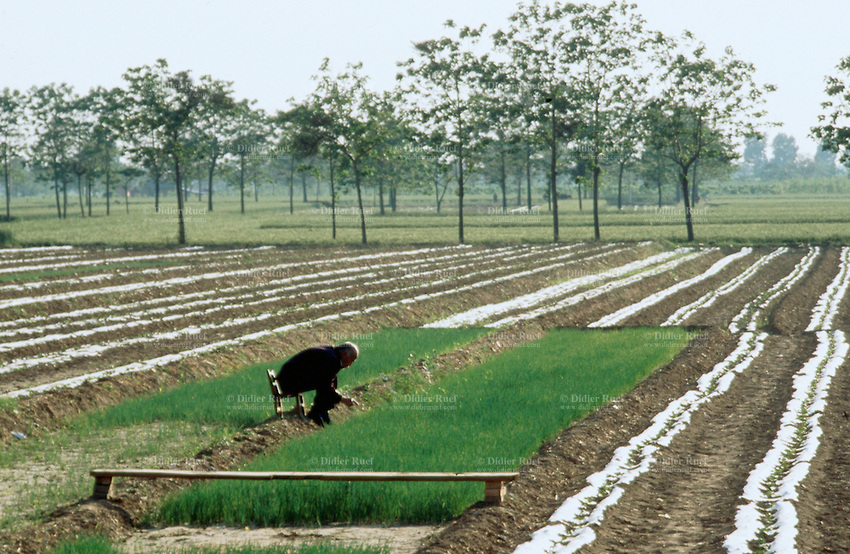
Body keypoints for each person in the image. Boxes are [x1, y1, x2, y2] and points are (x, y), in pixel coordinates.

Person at [275, 342, 359, 426]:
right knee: (325, 385)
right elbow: (326, 386)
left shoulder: (330, 352)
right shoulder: (332, 360)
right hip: (289, 382)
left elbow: (329, 381)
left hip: (287, 378)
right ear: (344, 354)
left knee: (330, 381)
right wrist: (342, 399)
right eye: (351, 360)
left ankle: (321, 410)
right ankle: (316, 412)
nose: (350, 364)